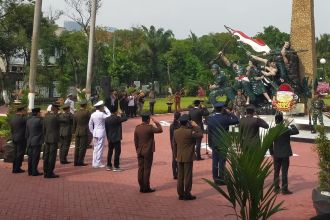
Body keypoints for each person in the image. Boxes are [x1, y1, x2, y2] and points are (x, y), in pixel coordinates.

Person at [207, 103, 239, 185]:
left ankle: (215, 178)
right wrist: (230, 113)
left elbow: (209, 132)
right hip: (223, 142)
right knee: (222, 161)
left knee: (215, 160)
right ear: (222, 109)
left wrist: (210, 143)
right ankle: (221, 178)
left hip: (214, 141)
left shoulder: (210, 118)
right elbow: (236, 120)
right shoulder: (225, 118)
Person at [173, 114, 203, 200]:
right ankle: (187, 193)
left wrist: (175, 156)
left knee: (180, 176)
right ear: (187, 123)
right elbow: (200, 135)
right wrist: (196, 126)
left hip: (179, 156)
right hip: (188, 156)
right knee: (188, 176)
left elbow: (174, 145)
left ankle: (180, 194)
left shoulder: (176, 132)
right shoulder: (190, 132)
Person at [269, 113, 299, 195]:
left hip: (276, 154)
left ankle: (276, 188)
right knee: (284, 172)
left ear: (275, 121)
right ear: (282, 121)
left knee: (276, 171)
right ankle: (284, 189)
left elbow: (269, 143)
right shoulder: (286, 129)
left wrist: (271, 152)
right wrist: (291, 124)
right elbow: (296, 131)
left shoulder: (272, 130)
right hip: (285, 154)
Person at [134, 112, 163, 193]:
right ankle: (146, 187)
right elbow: (160, 130)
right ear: (148, 119)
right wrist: (156, 122)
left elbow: (135, 141)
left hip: (139, 151)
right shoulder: (149, 128)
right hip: (148, 151)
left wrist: (137, 150)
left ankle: (141, 186)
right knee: (147, 169)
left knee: (140, 169)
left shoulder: (137, 128)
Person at [105, 106, 128, 172]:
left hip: (110, 137)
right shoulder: (117, 118)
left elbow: (106, 129)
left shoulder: (107, 119)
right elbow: (125, 118)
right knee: (117, 152)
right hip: (117, 138)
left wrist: (108, 137)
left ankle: (109, 165)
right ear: (116, 111)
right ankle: (116, 166)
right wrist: (122, 113)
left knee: (110, 152)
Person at [43, 103, 62, 178]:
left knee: (46, 155)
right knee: (52, 156)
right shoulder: (55, 117)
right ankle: (50, 173)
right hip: (53, 139)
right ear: (55, 110)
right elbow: (63, 121)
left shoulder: (46, 117)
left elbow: (43, 130)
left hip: (47, 138)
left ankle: (45, 171)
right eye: (57, 110)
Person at [89, 100, 109, 168]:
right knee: (100, 148)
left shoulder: (92, 114)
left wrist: (92, 131)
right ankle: (98, 162)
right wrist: (106, 109)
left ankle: (94, 162)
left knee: (95, 148)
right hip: (101, 132)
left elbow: (90, 124)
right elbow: (109, 117)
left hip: (95, 132)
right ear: (100, 107)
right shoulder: (102, 114)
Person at [26, 107, 43, 176]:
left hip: (29, 141)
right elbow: (43, 130)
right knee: (35, 157)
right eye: (40, 112)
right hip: (37, 141)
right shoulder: (39, 120)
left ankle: (30, 171)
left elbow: (27, 132)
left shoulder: (28, 120)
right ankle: (34, 171)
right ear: (38, 113)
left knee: (30, 157)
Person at [9, 105, 27, 173]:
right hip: (21, 138)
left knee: (15, 153)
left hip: (14, 137)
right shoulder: (23, 119)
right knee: (20, 153)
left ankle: (14, 168)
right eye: (24, 110)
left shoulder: (12, 118)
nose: (25, 112)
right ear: (22, 111)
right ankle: (17, 168)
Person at [73, 100, 90, 166]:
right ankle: (80, 161)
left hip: (77, 131)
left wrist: (74, 132)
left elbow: (74, 124)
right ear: (85, 105)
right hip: (84, 131)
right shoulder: (86, 112)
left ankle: (75, 161)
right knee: (82, 147)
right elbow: (90, 120)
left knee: (77, 147)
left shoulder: (76, 113)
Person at [169, 111, 181, 179]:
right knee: (179, 158)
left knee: (174, 159)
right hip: (178, 143)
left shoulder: (172, 125)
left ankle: (174, 174)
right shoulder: (179, 125)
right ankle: (179, 172)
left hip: (173, 143)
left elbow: (171, 136)